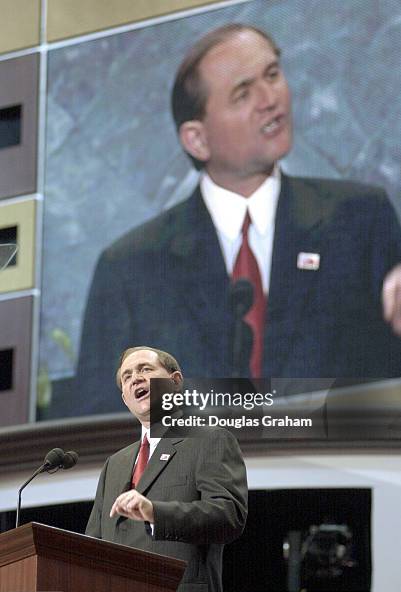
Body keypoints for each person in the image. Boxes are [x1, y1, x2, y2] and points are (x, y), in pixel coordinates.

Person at [75, 24, 401, 415]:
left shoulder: (359, 220)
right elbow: (99, 424)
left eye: (273, 75)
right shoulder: (131, 269)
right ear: (198, 139)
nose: (270, 99)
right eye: (242, 93)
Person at [86, 345, 248, 592]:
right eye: (126, 377)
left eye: (145, 370)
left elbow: (229, 516)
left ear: (174, 382)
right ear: (125, 398)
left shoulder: (209, 440)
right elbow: (93, 545)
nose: (135, 378)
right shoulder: (114, 465)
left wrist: (156, 513)